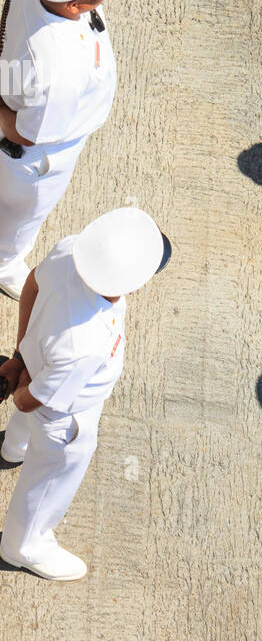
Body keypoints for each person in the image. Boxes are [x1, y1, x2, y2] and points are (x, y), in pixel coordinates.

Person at [0, 208, 172, 581]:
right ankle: (24, 544)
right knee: (53, 473)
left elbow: (31, 285)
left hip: (42, 368)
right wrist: (26, 380)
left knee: (25, 425)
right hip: (64, 413)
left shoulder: (69, 250)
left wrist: (21, 355)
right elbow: (30, 401)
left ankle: (13, 448)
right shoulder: (87, 343)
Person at [0, 0, 122, 300]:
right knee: (24, 214)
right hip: (41, 155)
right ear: (74, 5)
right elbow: (27, 133)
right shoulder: (58, 70)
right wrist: (2, 108)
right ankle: (4, 264)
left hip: (17, 75)